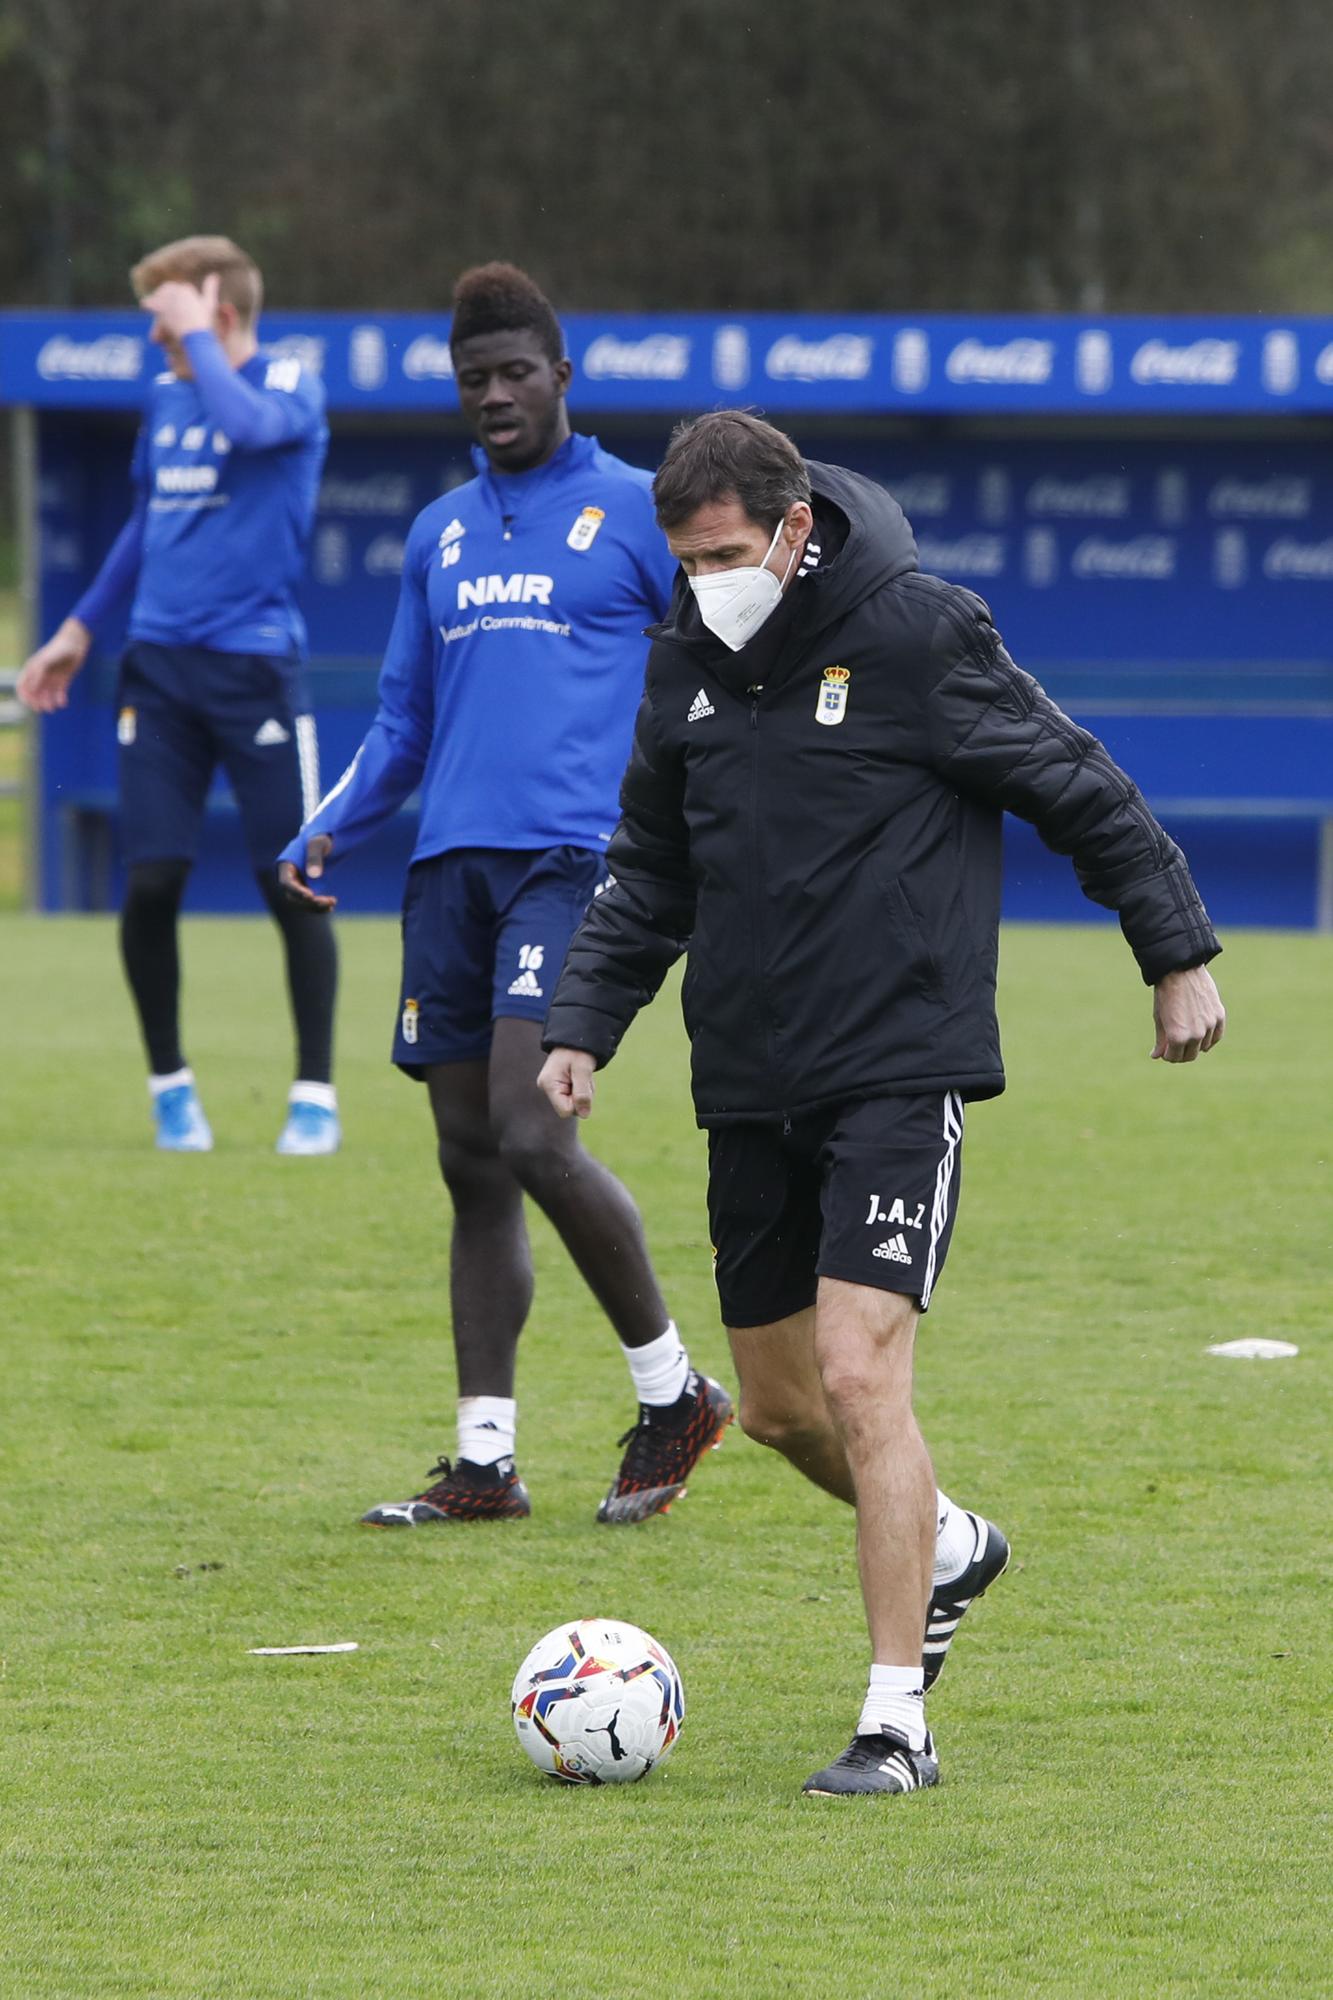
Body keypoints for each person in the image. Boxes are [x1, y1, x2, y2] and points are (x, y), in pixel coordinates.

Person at [539, 410, 1226, 1797]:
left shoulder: (916, 633)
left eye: (725, 552)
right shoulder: (685, 662)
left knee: (861, 1377)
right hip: (746, 1077)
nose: (704, 581)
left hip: (898, 1066)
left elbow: (1077, 786)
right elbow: (651, 865)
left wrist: (1175, 956)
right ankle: (953, 1546)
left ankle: (894, 1721)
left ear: (794, 531)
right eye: (683, 559)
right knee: (786, 1411)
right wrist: (582, 1027)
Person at [279, 263, 731, 1525]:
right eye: (472, 378)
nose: (493, 395)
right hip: (448, 872)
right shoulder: (439, 531)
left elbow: (723, 659)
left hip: (572, 864)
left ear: (560, 378)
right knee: (472, 1159)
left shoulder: (641, 508)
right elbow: (400, 720)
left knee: (535, 1131)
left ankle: (672, 1392)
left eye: (513, 372)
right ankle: (485, 1460)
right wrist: (330, 829)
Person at [18, 235, 339, 1156]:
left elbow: (243, 427)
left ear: (217, 315)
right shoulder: (167, 397)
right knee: (152, 878)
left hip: (255, 672)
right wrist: (79, 630)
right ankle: (172, 1090)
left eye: (168, 324)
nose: (159, 345)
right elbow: (146, 525)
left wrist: (198, 335)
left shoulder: (289, 387)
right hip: (157, 669)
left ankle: (313, 1097)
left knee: (292, 883)